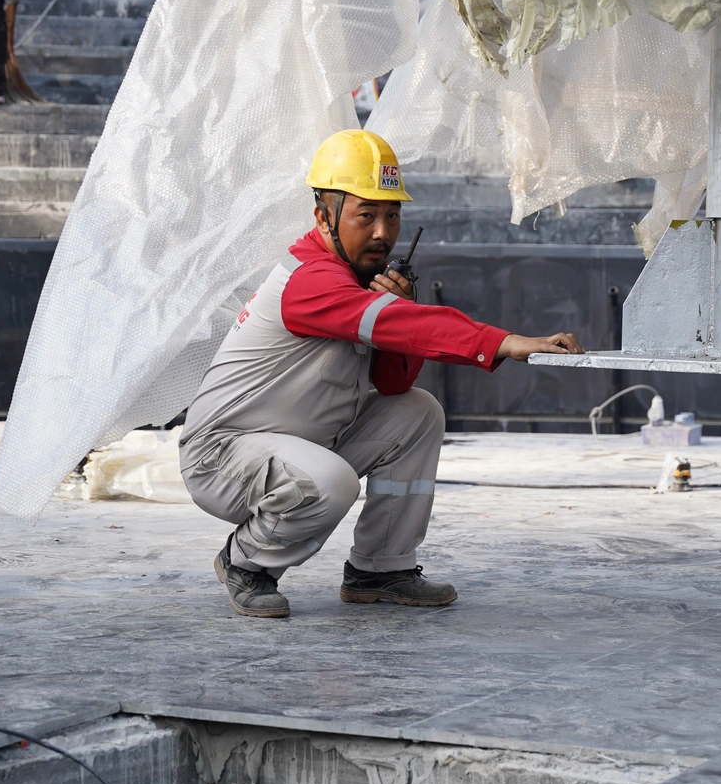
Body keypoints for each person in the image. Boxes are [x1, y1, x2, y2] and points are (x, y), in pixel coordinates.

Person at [179, 129, 586, 619]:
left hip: (296, 444)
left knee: (416, 413)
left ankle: (380, 569)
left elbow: (394, 384)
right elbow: (403, 325)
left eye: (392, 216)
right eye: (364, 216)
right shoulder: (310, 281)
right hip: (223, 457)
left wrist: (395, 311)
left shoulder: (358, 284)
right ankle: (245, 561)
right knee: (328, 481)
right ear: (323, 217)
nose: (382, 232)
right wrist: (504, 342)